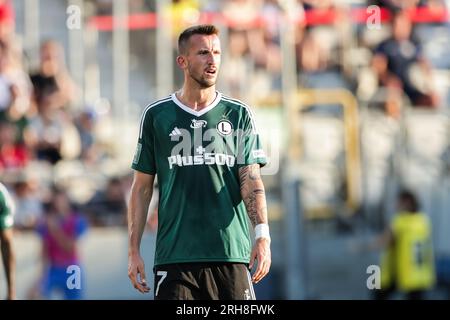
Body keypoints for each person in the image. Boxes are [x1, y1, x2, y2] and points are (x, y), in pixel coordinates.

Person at [127, 24, 271, 300]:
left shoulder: (238, 114)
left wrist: (262, 235)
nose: (212, 59)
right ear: (182, 61)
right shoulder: (157, 116)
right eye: (203, 52)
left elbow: (251, 181)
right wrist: (133, 250)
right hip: (175, 257)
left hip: (229, 254)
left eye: (217, 52)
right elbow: (142, 187)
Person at [374, 190, 435, 300]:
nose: (395, 205)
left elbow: (385, 242)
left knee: (378, 292)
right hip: (421, 274)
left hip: (403, 272)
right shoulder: (423, 220)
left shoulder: (400, 222)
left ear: (407, 203)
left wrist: (362, 246)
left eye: (398, 202)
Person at [34, 186, 88, 300]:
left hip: (72, 268)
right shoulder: (46, 222)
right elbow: (44, 250)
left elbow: (71, 248)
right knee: (35, 294)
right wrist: (42, 275)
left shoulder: (77, 221)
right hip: (53, 268)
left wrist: (55, 229)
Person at [0, 181, 15, 299]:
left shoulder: (1, 195)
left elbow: (7, 241)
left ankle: (11, 292)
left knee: (6, 240)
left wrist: (11, 291)